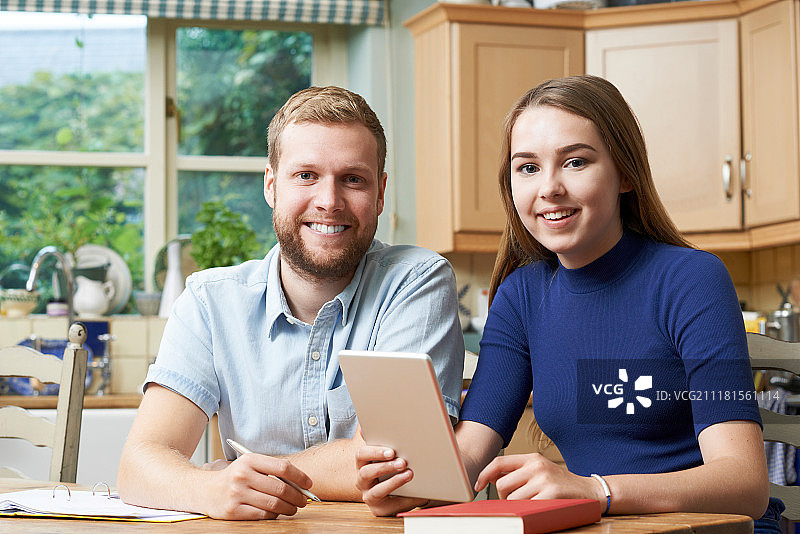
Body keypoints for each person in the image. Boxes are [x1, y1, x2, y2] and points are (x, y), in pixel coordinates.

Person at [356, 75, 781, 531]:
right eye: (528, 167)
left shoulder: (692, 280)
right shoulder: (521, 297)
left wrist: (597, 490)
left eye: (575, 162)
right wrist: (407, 483)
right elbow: (471, 450)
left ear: (626, 174)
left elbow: (746, 483)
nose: (549, 188)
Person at [118, 86, 465, 520]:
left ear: (380, 193)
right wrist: (209, 488)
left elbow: (399, 462)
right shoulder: (210, 301)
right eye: (306, 176)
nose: (329, 201)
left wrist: (239, 475)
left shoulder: (416, 281)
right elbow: (140, 463)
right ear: (271, 186)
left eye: (352, 179)